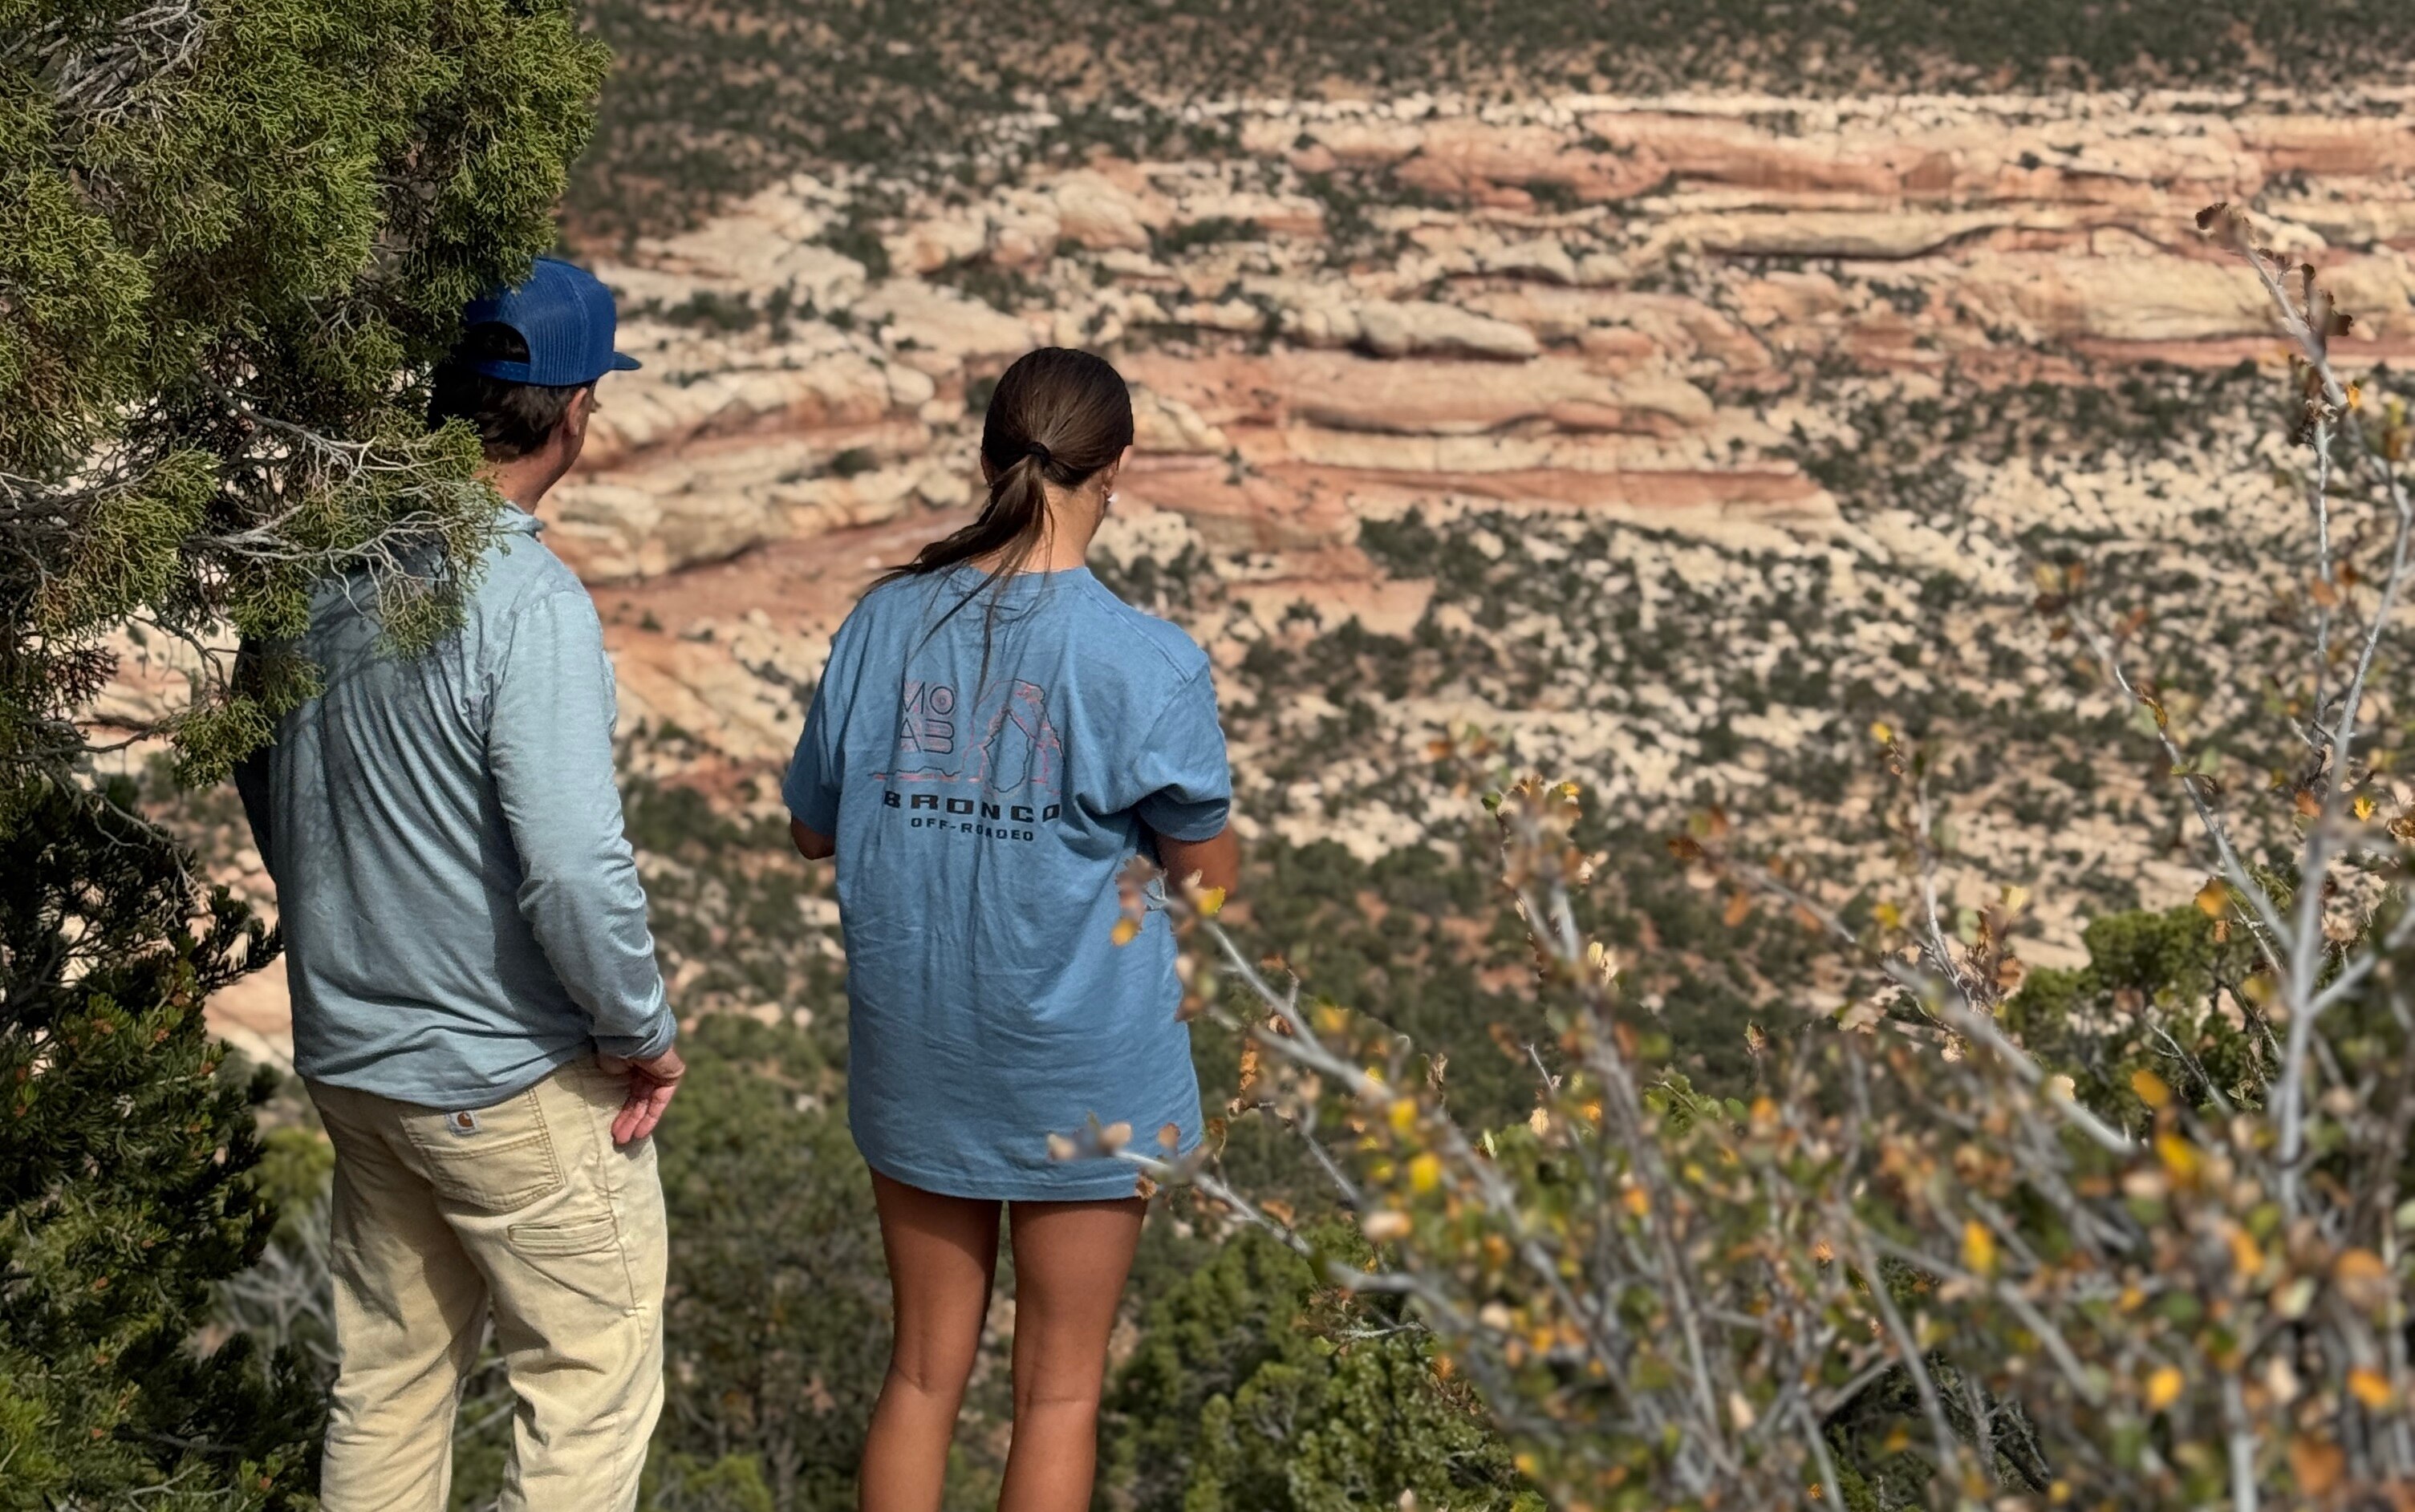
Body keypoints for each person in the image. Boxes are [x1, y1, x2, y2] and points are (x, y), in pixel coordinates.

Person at [233, 256, 684, 1512]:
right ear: (577, 408)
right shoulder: (526, 598)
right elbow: (574, 867)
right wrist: (639, 1031)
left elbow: (259, 753)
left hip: (354, 1057)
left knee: (387, 1383)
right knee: (589, 1380)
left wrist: (334, 903)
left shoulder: (321, 560)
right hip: (502, 1074)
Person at [781, 347, 1240, 1512]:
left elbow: (812, 829)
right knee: (1060, 1393)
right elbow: (1210, 883)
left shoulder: (882, 623)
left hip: (919, 1048)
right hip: (1085, 1068)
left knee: (922, 1370)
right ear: (1116, 470)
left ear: (987, 458)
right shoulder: (1144, 661)